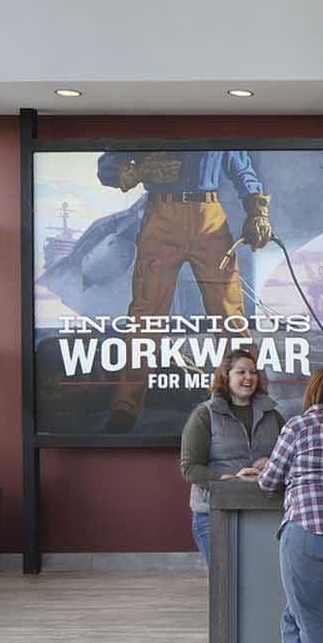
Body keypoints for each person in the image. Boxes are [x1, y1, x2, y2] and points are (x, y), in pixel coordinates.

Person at [95, 150, 274, 433]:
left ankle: (252, 401)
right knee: (146, 315)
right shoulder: (149, 124)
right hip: (166, 216)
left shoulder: (219, 127)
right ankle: (125, 406)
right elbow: (106, 165)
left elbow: (242, 169)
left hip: (206, 217)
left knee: (229, 315)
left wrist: (258, 211)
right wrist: (136, 172)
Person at [253, 367, 323, 643]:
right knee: (295, 616)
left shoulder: (297, 426)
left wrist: (266, 465)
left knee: (310, 618)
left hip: (307, 531)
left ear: (312, 391)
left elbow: (267, 483)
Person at [179, 348, 285, 566]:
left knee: (260, 581)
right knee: (224, 586)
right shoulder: (204, 414)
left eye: (253, 372)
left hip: (264, 511)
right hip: (215, 514)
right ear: (226, 376)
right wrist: (231, 479)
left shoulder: (272, 414)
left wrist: (272, 462)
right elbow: (190, 469)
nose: (249, 377)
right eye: (241, 372)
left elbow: (292, 457)